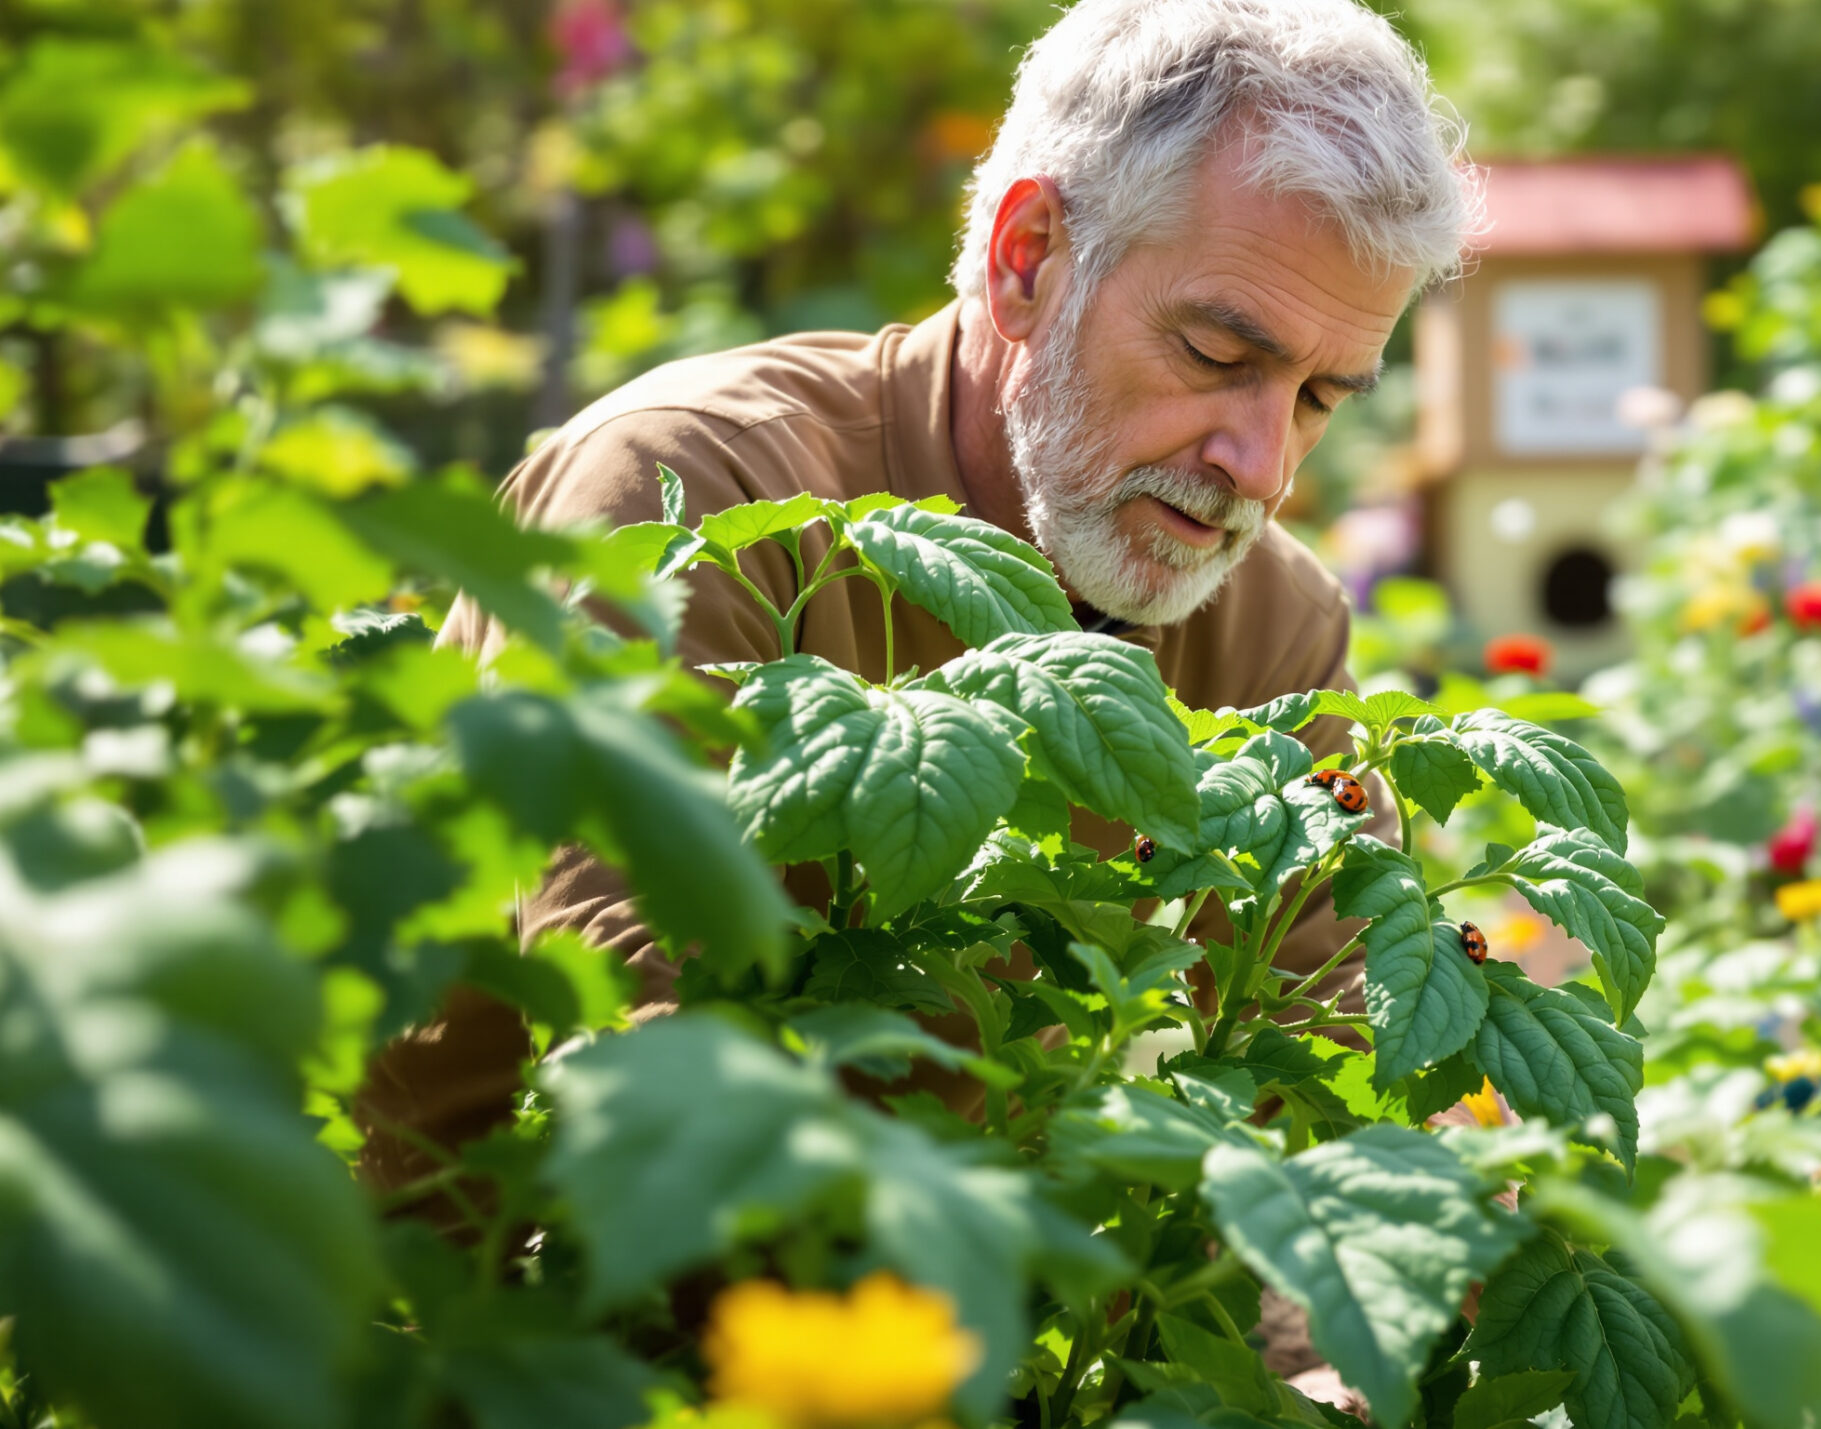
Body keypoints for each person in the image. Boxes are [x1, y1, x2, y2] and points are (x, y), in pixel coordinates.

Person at [356, 0, 1476, 1194]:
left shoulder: (1269, 624)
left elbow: (1351, 1053)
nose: (1264, 467)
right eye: (1216, 356)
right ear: (1027, 258)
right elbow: (650, 1077)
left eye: (1318, 398)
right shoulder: (693, 500)